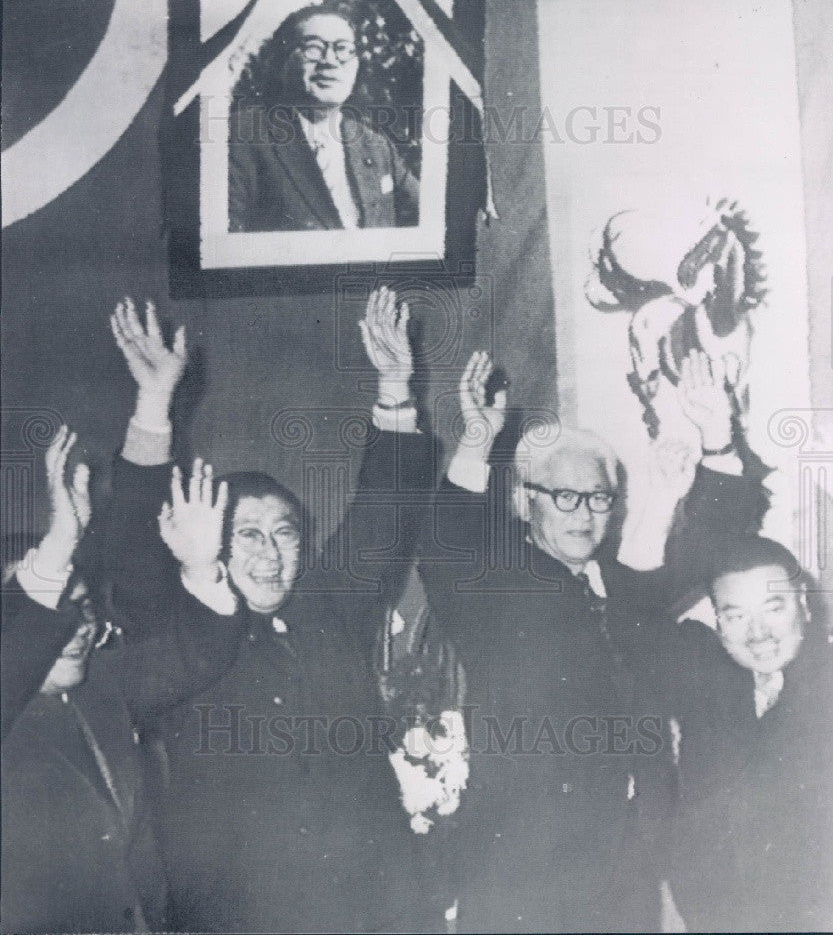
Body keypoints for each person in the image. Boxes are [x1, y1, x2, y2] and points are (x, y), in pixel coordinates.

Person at [388, 345, 763, 932]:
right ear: (523, 501)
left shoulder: (626, 585)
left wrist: (717, 437)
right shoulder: (496, 590)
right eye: (565, 497)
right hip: (524, 876)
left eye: (598, 499)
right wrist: (477, 440)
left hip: (627, 873)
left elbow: (712, 552)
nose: (584, 515)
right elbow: (444, 551)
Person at [100, 295, 438, 933]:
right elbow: (132, 549)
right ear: (208, 544)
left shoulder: (327, 613)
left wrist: (395, 388)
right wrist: (152, 404)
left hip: (373, 912)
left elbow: (381, 524)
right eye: (247, 532)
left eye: (283, 532)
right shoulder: (183, 624)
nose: (269, 550)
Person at [1, 425, 240, 934]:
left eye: (84, 608)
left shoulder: (99, 687)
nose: (79, 628)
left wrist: (200, 567)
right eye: (56, 612)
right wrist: (58, 546)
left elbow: (195, 652)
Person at [657, 535, 833, 932]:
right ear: (717, 619)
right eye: (736, 616)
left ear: (802, 601)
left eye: (773, 608)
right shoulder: (707, 682)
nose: (758, 634)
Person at [228, 5, 419, 233]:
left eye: (343, 49)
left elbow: (435, 224)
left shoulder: (376, 146)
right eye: (314, 48)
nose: (330, 61)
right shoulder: (242, 134)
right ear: (282, 62)